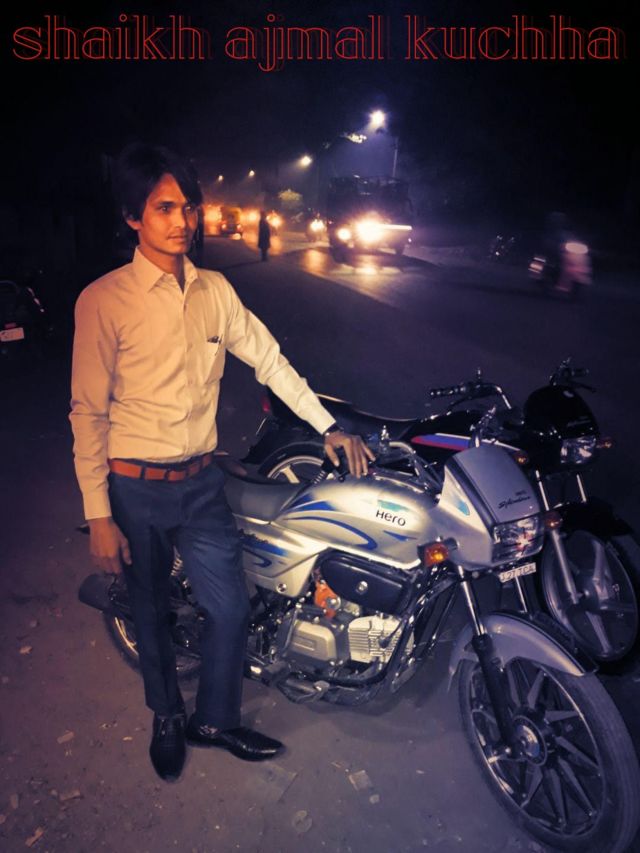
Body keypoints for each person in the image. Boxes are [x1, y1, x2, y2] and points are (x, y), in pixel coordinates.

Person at [69, 143, 374, 782]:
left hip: (202, 481)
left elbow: (270, 360)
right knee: (151, 610)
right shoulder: (105, 300)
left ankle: (213, 719)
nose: (181, 221)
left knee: (230, 607)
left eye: (188, 207)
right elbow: (88, 412)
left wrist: (327, 427)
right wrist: (99, 514)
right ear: (132, 216)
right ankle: (166, 715)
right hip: (137, 487)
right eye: (163, 208)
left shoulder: (215, 291)